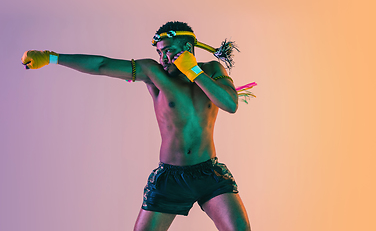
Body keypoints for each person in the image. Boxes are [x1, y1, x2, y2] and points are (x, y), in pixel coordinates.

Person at [21, 21, 251, 231]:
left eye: (168, 50)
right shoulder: (153, 73)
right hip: (170, 179)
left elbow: (230, 104)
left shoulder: (212, 70)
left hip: (208, 174)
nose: (164, 58)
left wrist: (194, 71)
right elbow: (102, 65)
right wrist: (51, 57)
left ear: (188, 48)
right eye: (159, 52)